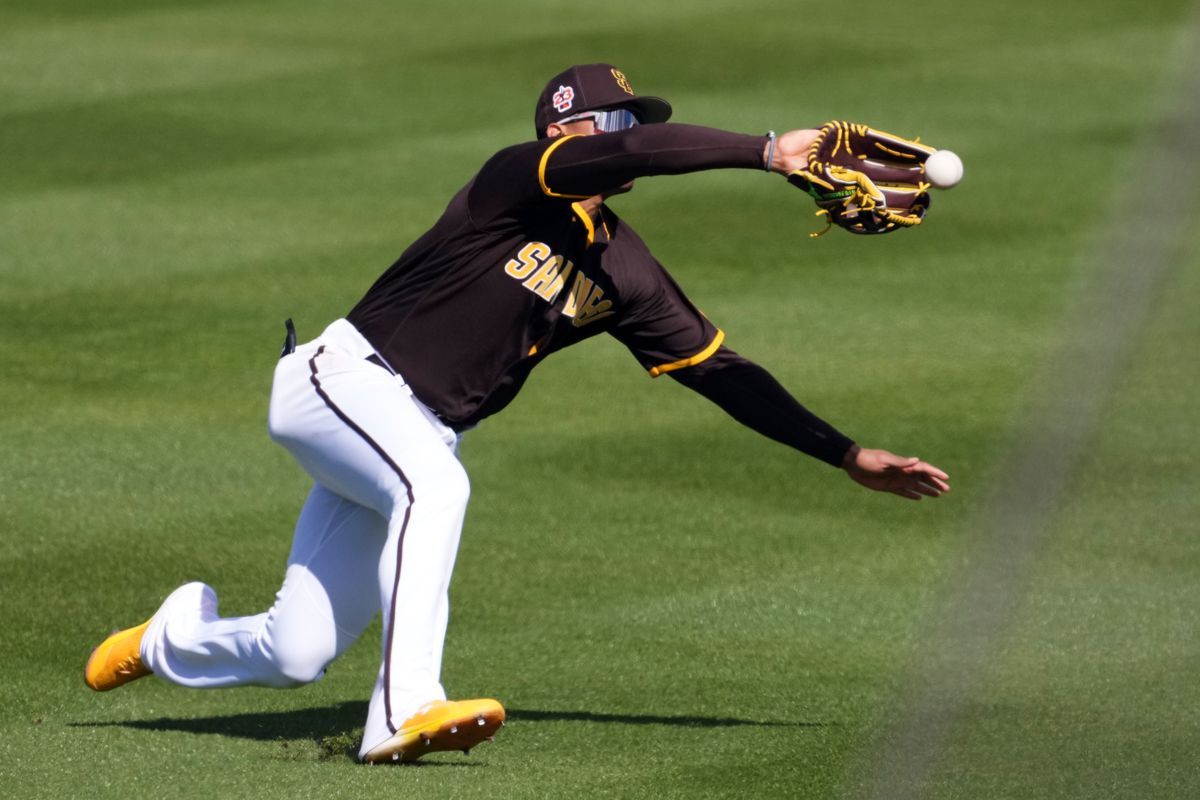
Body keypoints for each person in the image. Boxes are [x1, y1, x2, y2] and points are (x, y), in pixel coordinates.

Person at [84, 63, 950, 764]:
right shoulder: (514, 180)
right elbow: (642, 154)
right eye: (612, 123)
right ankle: (402, 711)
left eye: (629, 122)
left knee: (296, 652)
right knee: (438, 488)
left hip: (402, 430)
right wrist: (768, 150)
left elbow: (720, 371)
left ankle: (169, 639)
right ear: (564, 134)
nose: (625, 136)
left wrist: (843, 454)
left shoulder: (625, 269)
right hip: (339, 381)